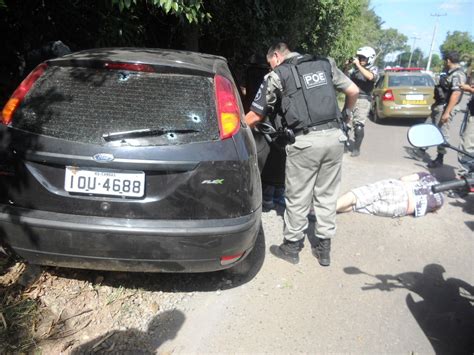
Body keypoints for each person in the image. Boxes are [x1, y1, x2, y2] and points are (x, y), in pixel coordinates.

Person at [246, 42, 359, 266]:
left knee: (298, 196)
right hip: (335, 138)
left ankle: (291, 247)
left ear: (276, 56)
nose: (270, 69)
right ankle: (323, 249)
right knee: (326, 194)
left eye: (271, 64)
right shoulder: (325, 64)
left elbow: (256, 115)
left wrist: (233, 128)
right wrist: (347, 116)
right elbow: (353, 90)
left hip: (305, 141)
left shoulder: (278, 75)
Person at [336, 172, 444, 217]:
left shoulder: (427, 176)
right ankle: (327, 211)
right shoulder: (440, 201)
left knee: (356, 196)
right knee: (355, 206)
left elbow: (404, 179)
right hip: (401, 209)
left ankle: (322, 212)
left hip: (400, 190)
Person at [428, 51, 467, 168]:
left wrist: (447, 112)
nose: (445, 62)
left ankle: (440, 158)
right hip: (440, 105)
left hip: (446, 107)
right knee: (431, 127)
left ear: (449, 60)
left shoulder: (457, 74)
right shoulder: (449, 73)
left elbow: (455, 94)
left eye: (445, 60)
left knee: (442, 132)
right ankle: (422, 147)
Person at [345, 46, 379, 157]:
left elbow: (371, 77)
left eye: (363, 58)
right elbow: (344, 78)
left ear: (370, 58)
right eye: (359, 58)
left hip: (363, 99)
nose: (361, 60)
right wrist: (346, 66)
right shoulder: (354, 70)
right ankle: (343, 145)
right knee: (345, 122)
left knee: (358, 124)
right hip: (351, 97)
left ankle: (356, 149)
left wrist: (358, 65)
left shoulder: (373, 69)